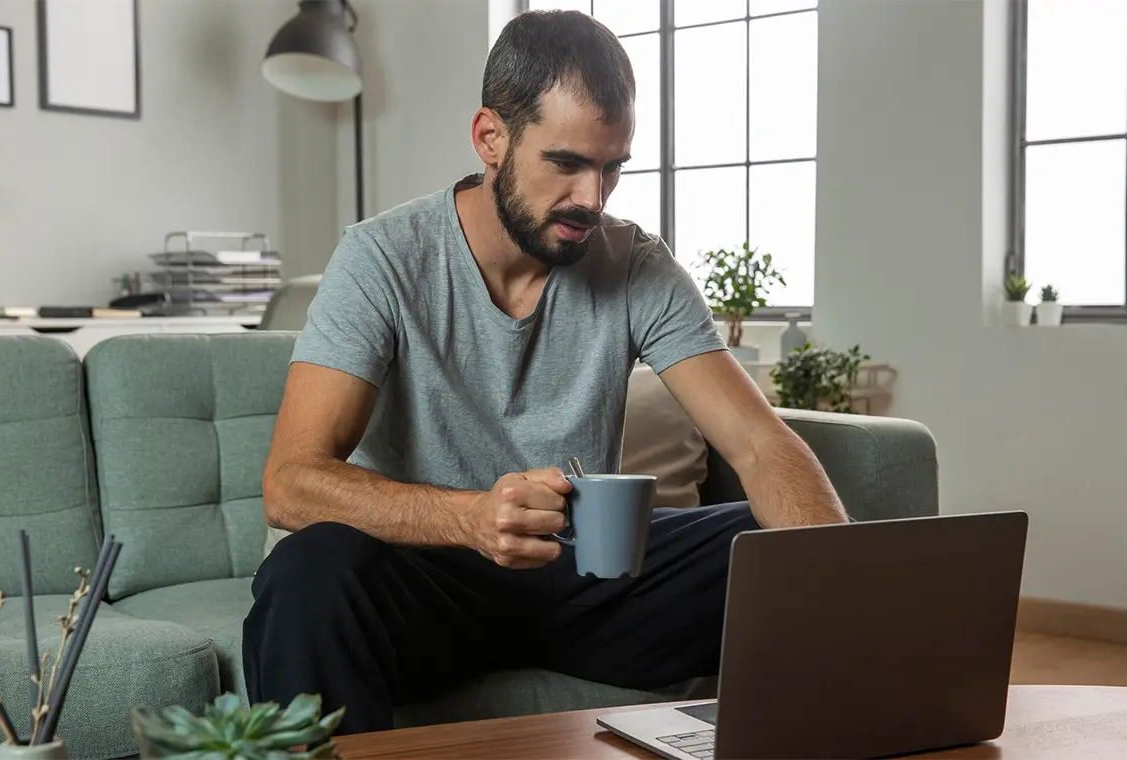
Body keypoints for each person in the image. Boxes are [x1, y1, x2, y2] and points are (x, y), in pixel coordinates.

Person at [242, 8, 848, 735]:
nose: (592, 199)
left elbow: (757, 443)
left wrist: (838, 584)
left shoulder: (637, 265)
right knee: (307, 576)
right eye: (566, 163)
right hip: (431, 579)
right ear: (490, 138)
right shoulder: (382, 258)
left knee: (775, 546)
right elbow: (291, 481)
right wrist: (468, 518)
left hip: (584, 584)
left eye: (612, 167)